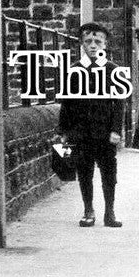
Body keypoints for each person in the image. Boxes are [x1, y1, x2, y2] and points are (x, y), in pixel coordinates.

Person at [56, 22, 125, 227]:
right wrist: (63, 131)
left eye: (97, 41)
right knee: (84, 171)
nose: (93, 45)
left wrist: (116, 129)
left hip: (104, 131)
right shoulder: (74, 70)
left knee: (108, 172)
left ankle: (109, 212)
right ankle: (88, 210)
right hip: (81, 132)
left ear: (105, 44)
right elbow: (66, 103)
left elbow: (118, 103)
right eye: (88, 41)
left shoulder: (113, 70)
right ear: (81, 44)